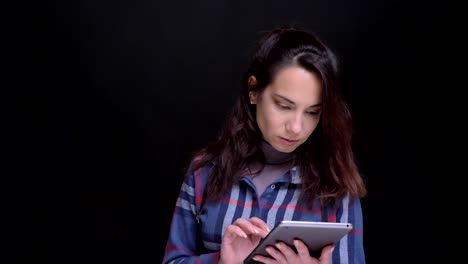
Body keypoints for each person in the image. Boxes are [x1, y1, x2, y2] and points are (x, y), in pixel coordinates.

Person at [162, 25, 367, 264]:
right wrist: (221, 262)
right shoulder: (205, 172)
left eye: (312, 112)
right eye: (284, 105)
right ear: (254, 91)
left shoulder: (335, 186)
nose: (297, 127)